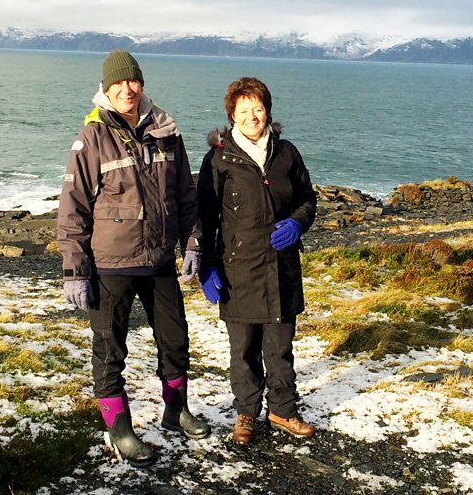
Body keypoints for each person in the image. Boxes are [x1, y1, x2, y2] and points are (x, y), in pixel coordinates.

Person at [56, 49, 210, 468]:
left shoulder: (166, 130)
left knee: (175, 341)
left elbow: (185, 197)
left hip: (159, 261)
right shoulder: (92, 137)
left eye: (133, 81)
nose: (127, 89)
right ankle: (119, 428)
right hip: (110, 265)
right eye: (118, 83)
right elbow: (73, 209)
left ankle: (175, 409)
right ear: (106, 88)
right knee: (109, 349)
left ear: (142, 83)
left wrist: (193, 244)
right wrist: (75, 271)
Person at [196, 76, 318, 446]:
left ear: (268, 111)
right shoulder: (219, 158)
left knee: (280, 348)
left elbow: (308, 200)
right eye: (244, 110)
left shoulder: (287, 154)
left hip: (282, 268)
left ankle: (282, 409)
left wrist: (297, 223)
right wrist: (207, 265)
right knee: (244, 350)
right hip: (238, 270)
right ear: (231, 114)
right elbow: (204, 215)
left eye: (258, 108)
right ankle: (246, 413)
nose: (253, 116)